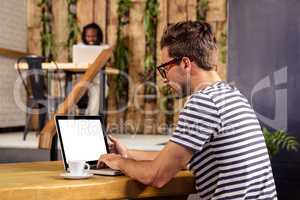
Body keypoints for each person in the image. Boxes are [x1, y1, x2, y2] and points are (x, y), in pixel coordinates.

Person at [98, 21, 277, 199]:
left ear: (185, 63)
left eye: (164, 69)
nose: (164, 79)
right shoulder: (231, 95)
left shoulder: (204, 102)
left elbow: (156, 175)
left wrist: (119, 162)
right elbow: (175, 158)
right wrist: (128, 153)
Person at [77, 22, 108, 115]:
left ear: (99, 36)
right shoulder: (79, 47)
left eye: (94, 36)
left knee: (96, 94)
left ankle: (89, 119)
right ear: (84, 36)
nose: (91, 39)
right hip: (81, 82)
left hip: (98, 82)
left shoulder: (104, 49)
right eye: (88, 36)